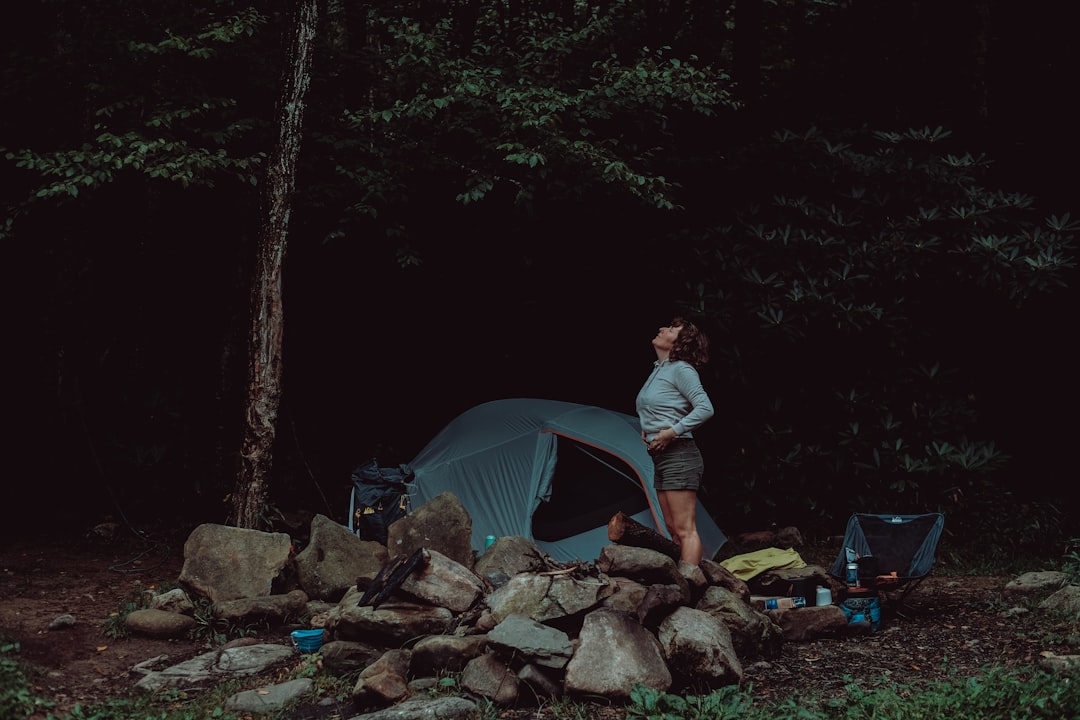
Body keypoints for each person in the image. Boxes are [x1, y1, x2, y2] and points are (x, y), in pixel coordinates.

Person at [636, 316, 714, 565]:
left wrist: (671, 432)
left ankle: (691, 582)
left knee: (685, 529)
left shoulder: (682, 370)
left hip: (680, 454)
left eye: (671, 329)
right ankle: (684, 580)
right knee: (672, 529)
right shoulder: (659, 369)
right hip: (661, 456)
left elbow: (705, 408)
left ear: (680, 344)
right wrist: (648, 430)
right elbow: (661, 408)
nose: (662, 329)